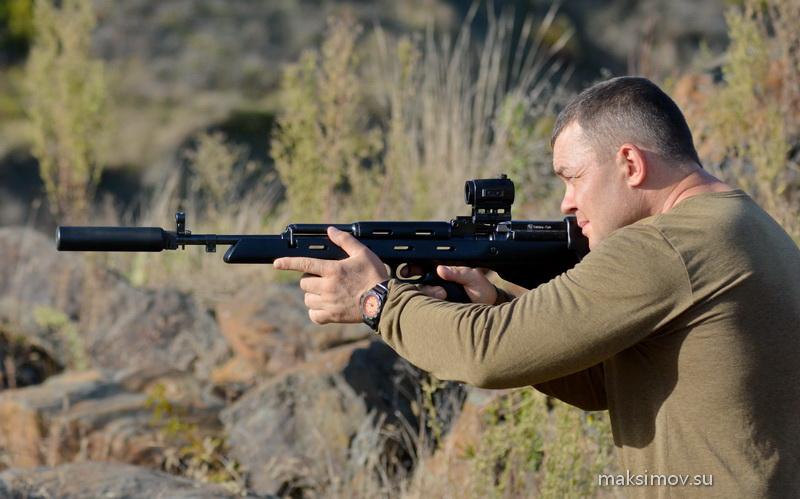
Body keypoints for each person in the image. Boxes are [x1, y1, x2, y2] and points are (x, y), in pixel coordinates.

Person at [274, 76, 800, 496]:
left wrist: (377, 301)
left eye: (572, 177)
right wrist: (500, 303)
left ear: (631, 164)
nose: (566, 203)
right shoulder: (743, 223)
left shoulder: (664, 245)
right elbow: (609, 387)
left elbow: (487, 354)